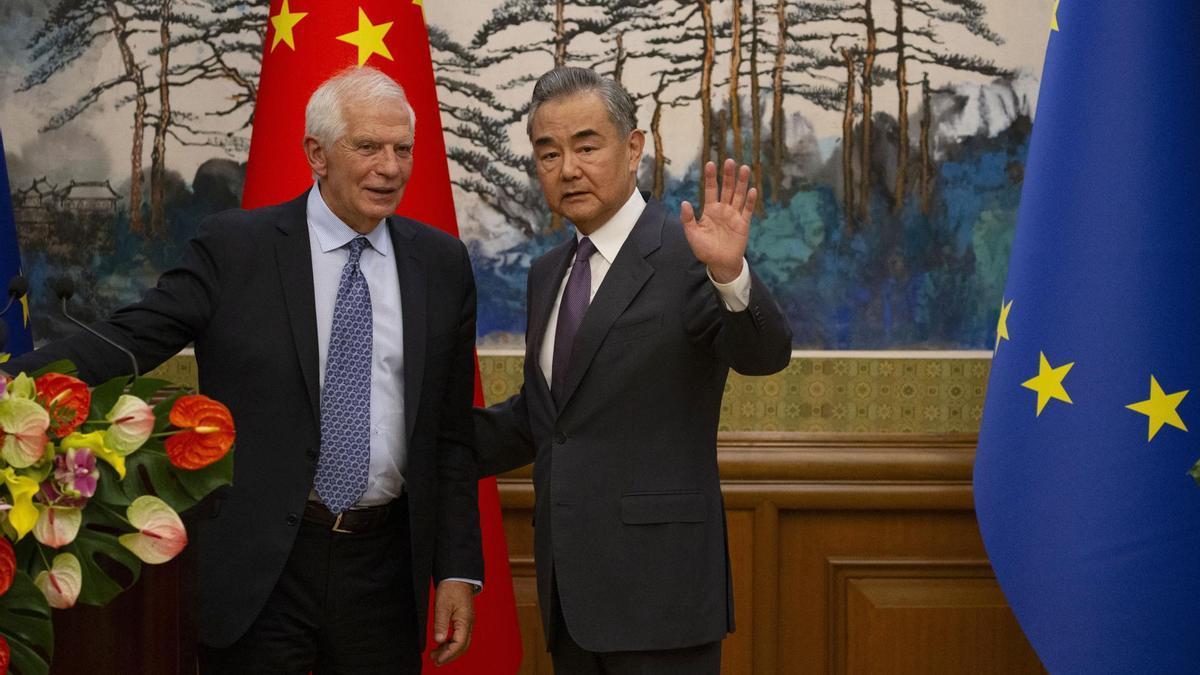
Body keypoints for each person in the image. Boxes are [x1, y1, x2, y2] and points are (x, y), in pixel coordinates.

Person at [2, 66, 482, 674]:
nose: (391, 167)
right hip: (262, 568)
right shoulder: (237, 248)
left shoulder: (440, 264)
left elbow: (450, 436)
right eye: (368, 147)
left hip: (385, 570)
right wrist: (11, 384)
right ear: (317, 153)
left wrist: (459, 569)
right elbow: (130, 338)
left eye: (402, 149)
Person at [474, 67, 792, 674]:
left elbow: (765, 354)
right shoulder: (548, 273)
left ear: (634, 147)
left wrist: (731, 274)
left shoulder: (688, 251)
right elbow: (547, 421)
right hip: (569, 596)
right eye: (549, 153)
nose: (568, 168)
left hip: (661, 599)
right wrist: (406, 436)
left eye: (587, 146)